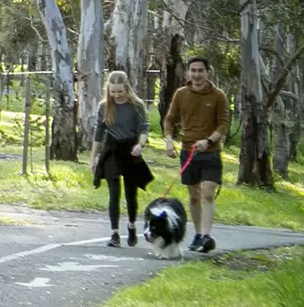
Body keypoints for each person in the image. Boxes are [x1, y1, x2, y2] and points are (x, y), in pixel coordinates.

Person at [161, 56, 229, 253]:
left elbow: (223, 125)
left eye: (201, 70)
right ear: (188, 72)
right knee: (194, 196)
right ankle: (198, 234)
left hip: (211, 152)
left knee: (208, 193)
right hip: (188, 151)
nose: (197, 74)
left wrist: (208, 141)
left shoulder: (218, 95)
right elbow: (169, 119)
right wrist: (168, 140)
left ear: (208, 72)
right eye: (193, 70)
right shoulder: (181, 94)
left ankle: (207, 236)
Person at [92, 70, 151, 246]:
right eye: (113, 91)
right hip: (112, 150)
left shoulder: (137, 105)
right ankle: (114, 233)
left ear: (127, 88)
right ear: (108, 90)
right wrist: (93, 157)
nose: (116, 95)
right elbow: (99, 133)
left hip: (131, 148)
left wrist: (140, 145)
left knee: (130, 193)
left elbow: (143, 128)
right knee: (114, 193)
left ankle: (132, 225)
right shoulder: (104, 106)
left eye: (120, 91)